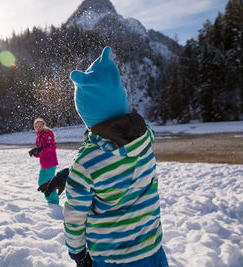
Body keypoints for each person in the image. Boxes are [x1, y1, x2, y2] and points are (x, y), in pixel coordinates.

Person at [39, 47, 169, 267]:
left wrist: (78, 253)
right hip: (153, 253)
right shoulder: (146, 138)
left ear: (87, 116)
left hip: (113, 259)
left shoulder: (86, 163)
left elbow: (75, 217)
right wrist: (74, 176)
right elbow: (118, 162)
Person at [30, 118, 59, 205]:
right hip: (44, 164)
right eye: (36, 126)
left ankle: (53, 201)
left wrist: (41, 149)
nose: (38, 127)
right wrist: (35, 152)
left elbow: (52, 147)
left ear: (43, 125)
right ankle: (51, 199)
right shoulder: (38, 137)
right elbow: (41, 153)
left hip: (50, 162)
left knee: (48, 184)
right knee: (41, 182)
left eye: (40, 125)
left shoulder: (47, 134)